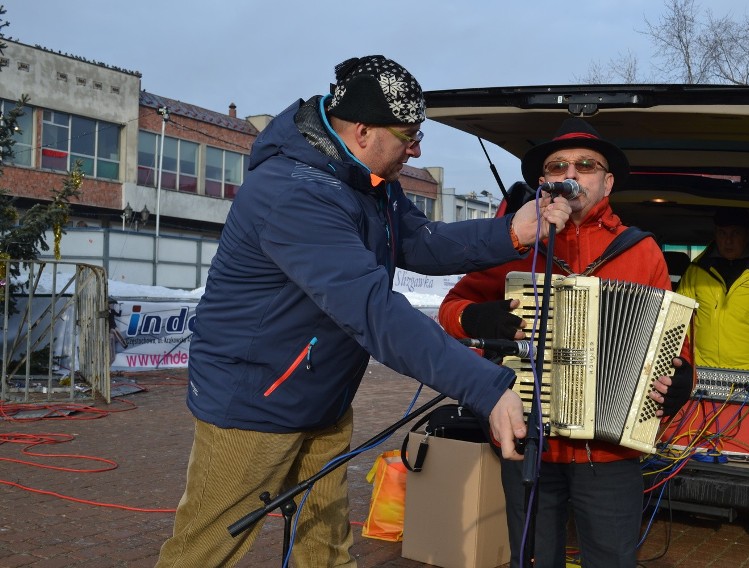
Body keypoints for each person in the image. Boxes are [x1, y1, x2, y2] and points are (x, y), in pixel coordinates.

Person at [155, 55, 571, 568]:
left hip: (321, 394)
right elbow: (374, 311)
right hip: (253, 402)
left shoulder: (369, 182)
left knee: (326, 547)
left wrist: (512, 232)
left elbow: (419, 242)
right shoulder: (295, 193)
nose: (417, 148)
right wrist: (487, 386)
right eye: (409, 135)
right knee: (205, 551)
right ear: (363, 130)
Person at [438, 117, 694, 568]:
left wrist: (679, 380)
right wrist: (476, 316)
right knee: (533, 556)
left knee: (612, 558)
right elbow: (451, 309)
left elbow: (673, 344)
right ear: (544, 182)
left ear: (607, 181)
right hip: (528, 436)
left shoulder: (639, 250)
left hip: (611, 449)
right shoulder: (516, 243)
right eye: (557, 166)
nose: (570, 174)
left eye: (585, 165)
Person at [676, 207, 749, 398]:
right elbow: (678, 318)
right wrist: (682, 363)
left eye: (735, 233)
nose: (728, 240)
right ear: (715, 234)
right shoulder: (696, 272)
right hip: (699, 375)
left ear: (747, 235)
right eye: (722, 233)